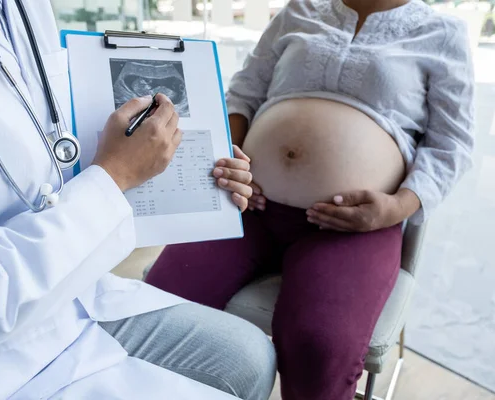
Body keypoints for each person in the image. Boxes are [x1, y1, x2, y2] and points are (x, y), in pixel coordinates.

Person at [0, 1, 276, 399]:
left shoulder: (22, 7)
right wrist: (115, 176)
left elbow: (56, 139)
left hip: (66, 288)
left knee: (250, 358)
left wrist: (196, 165)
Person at [145, 0, 475, 399]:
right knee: (160, 299)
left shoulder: (442, 33)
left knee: (319, 343)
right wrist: (234, 155)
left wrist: (396, 208)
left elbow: (450, 145)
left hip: (351, 226)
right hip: (248, 204)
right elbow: (243, 94)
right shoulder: (301, 10)